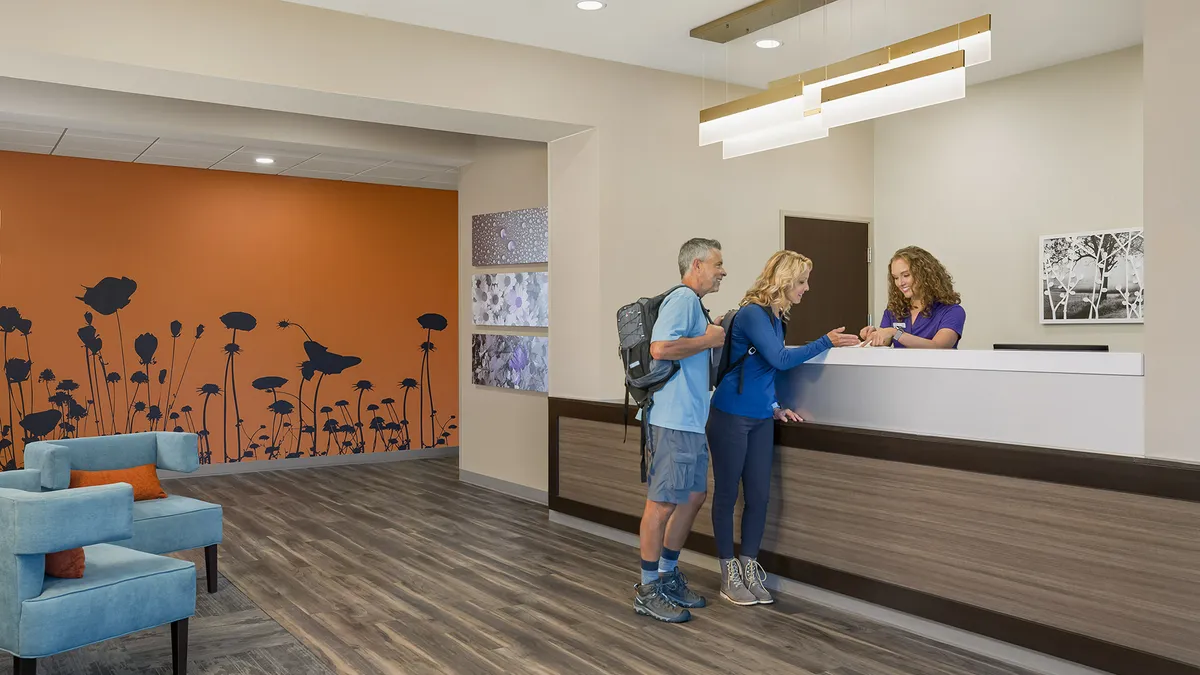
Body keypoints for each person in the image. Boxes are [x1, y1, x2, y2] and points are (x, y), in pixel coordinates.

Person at [707, 251, 858, 606]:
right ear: (785, 281)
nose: (807, 289)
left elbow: (765, 371)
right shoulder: (752, 314)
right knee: (728, 496)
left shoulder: (777, 318)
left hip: (760, 419)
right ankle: (727, 572)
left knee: (759, 496)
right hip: (729, 415)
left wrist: (775, 406)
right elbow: (781, 359)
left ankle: (748, 565)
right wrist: (826, 342)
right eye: (802, 281)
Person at [634, 237, 727, 624]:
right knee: (663, 504)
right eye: (718, 264)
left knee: (693, 497)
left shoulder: (694, 306)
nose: (723, 271)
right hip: (671, 420)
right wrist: (707, 338)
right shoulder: (684, 299)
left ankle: (668, 575)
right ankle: (647, 587)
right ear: (697, 266)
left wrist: (711, 331)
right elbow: (660, 348)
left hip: (689, 420)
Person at [861, 246, 966, 349]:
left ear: (925, 275)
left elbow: (938, 346)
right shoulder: (894, 310)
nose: (900, 283)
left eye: (906, 275)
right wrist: (875, 335)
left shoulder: (952, 311)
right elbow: (886, 339)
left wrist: (895, 333)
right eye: (896, 278)